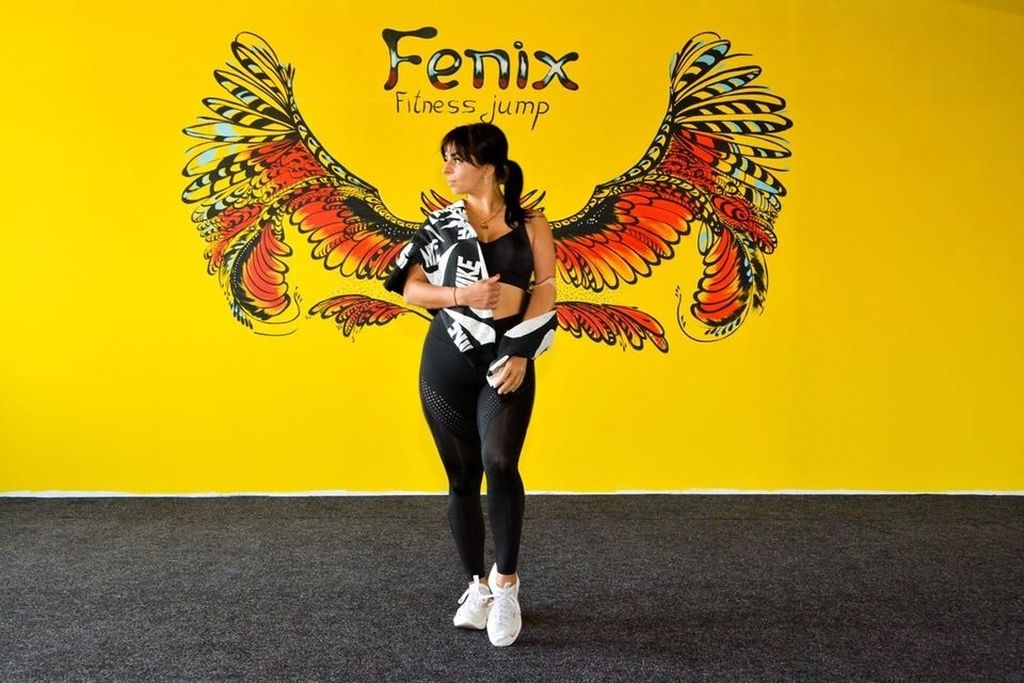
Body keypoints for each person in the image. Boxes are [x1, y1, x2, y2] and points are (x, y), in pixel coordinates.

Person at [384, 122, 557, 647]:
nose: (446, 169)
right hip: (447, 361)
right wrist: (463, 296)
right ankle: (476, 586)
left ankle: (506, 586)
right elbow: (410, 288)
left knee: (500, 463)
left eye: (456, 159)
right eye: (445, 158)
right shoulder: (439, 225)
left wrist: (521, 348)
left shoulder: (532, 224)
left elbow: (546, 288)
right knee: (461, 478)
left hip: (506, 360)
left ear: (488, 167)